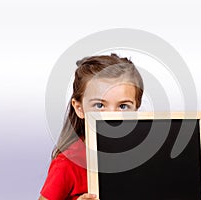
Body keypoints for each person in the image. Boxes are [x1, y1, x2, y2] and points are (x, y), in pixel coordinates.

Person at [39, 53, 144, 200]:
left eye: (123, 106)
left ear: (136, 109)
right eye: (99, 105)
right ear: (79, 108)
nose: (111, 116)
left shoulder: (141, 156)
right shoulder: (68, 163)